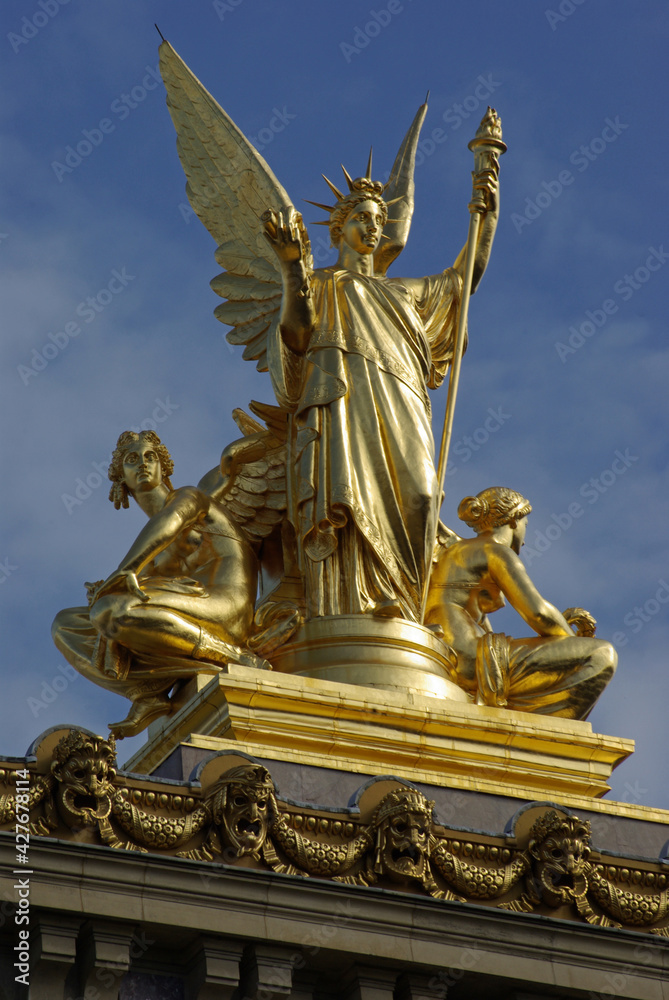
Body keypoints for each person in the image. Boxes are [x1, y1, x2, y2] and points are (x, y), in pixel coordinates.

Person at [262, 168, 498, 622]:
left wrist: (486, 214)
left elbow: (464, 279)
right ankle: (357, 606)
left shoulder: (405, 292)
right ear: (339, 229)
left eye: (377, 220)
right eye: (361, 218)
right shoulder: (325, 284)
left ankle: (408, 603)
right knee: (347, 495)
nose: (371, 227)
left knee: (424, 497)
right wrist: (292, 268)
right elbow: (295, 335)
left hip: (404, 398)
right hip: (344, 401)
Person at [52, 430, 262, 737]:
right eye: (132, 460)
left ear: (164, 467)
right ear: (119, 476)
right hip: (189, 610)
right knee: (66, 625)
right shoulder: (151, 559)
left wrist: (125, 571)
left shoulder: (190, 497)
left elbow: (170, 522)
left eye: (151, 457)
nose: (143, 464)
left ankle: (234, 656)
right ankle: (147, 692)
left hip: (227, 605)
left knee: (110, 612)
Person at [424, 487, 616, 719]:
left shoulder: (454, 550)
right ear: (514, 521)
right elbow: (538, 613)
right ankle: (544, 726)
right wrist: (571, 642)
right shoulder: (495, 552)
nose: (525, 539)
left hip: (450, 646)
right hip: (470, 656)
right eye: (526, 524)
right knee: (601, 654)